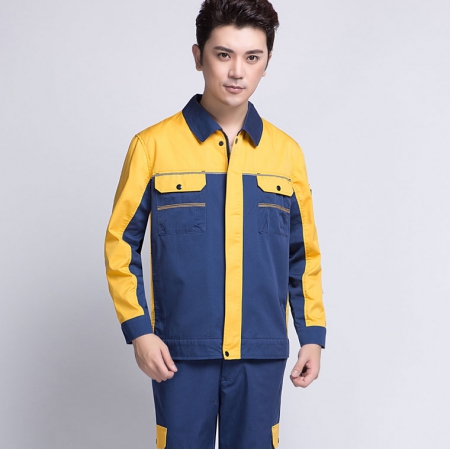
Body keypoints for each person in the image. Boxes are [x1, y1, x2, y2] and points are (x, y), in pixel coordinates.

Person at [104, 0, 326, 448]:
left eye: (252, 57)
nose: (237, 71)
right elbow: (121, 245)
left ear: (267, 63)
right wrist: (139, 330)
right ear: (198, 56)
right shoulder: (152, 146)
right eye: (223, 54)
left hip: (260, 352)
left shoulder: (286, 154)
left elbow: (302, 255)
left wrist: (312, 336)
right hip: (180, 353)